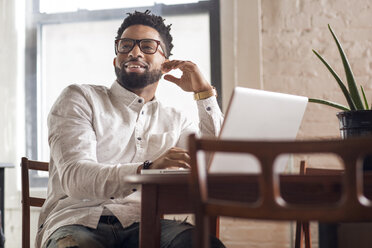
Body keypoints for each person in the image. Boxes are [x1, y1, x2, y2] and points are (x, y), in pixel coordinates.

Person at [36, 10, 225, 248]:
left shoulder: (175, 120)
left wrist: (204, 94)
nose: (134, 52)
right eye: (126, 45)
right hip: (78, 222)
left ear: (166, 63)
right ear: (116, 60)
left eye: (147, 46)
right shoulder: (80, 98)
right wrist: (146, 169)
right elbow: (76, 178)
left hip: (146, 224)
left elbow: (213, 163)